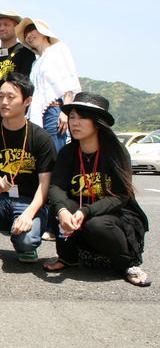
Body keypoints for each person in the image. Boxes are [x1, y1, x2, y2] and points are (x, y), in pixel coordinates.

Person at [44, 92, 151, 287]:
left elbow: (121, 196)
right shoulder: (68, 152)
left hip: (113, 214)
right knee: (59, 207)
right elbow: (56, 187)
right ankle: (68, 257)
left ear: (98, 123)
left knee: (97, 224)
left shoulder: (116, 152)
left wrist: (86, 211)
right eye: (72, 117)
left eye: (82, 118)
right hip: (79, 210)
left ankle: (127, 264)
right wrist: (62, 210)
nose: (75, 123)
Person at [0, 73, 57, 263]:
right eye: (1, 96)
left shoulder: (40, 137)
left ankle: (24, 239)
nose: (3, 102)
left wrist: (29, 214)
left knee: (26, 243)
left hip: (28, 202)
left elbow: (45, 184)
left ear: (27, 101)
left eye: (11, 97)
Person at [15, 17, 81, 151]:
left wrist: (65, 111)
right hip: (36, 113)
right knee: (40, 153)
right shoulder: (36, 62)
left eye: (32, 30)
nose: (29, 36)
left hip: (55, 109)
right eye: (26, 35)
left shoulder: (58, 49)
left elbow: (69, 81)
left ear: (43, 32)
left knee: (55, 151)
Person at [0, 11, 36, 123]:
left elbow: (23, 84)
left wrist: (1, 101)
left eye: (6, 25)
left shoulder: (25, 54)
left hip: (14, 117)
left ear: (16, 28)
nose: (1, 28)